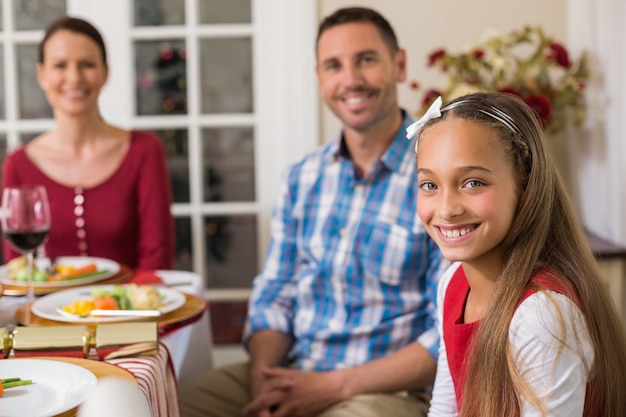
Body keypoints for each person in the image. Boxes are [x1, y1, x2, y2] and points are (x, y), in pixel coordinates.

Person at [179, 7, 445, 417]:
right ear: (320, 78)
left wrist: (331, 386)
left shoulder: (437, 178)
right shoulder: (302, 178)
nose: (351, 79)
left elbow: (445, 334)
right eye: (334, 66)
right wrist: (264, 383)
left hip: (387, 391)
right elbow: (276, 293)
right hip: (292, 371)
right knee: (163, 404)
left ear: (399, 64)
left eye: (367, 59)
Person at [407, 92, 626, 417]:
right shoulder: (452, 283)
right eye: (429, 185)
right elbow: (445, 409)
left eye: (473, 182)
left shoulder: (541, 315)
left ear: (525, 187)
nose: (446, 209)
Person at [1, 16, 174, 270]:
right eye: (60, 65)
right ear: (42, 74)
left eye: (87, 64)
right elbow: (19, 270)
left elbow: (156, 259)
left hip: (129, 309)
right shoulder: (18, 164)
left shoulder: (144, 151)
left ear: (105, 73)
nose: (74, 78)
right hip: (45, 309)